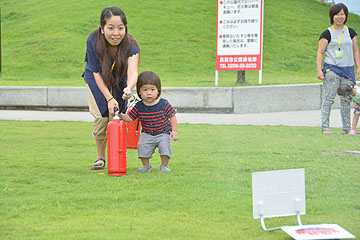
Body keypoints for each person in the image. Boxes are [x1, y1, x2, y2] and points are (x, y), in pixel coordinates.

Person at [82, 6, 140, 170]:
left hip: (120, 81)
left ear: (125, 28)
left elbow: (133, 72)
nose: (116, 33)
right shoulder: (93, 40)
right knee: (102, 116)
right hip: (96, 79)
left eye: (120, 28)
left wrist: (128, 88)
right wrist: (108, 98)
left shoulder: (131, 45)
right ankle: (100, 158)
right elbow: (95, 72)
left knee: (117, 115)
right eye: (111, 28)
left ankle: (118, 155)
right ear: (102, 29)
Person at [120, 71, 178, 173]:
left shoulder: (164, 103)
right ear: (139, 92)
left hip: (163, 132)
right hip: (147, 133)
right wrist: (120, 115)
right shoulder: (139, 106)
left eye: (152, 89)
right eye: (145, 90)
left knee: (165, 149)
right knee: (142, 147)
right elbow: (130, 117)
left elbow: (172, 116)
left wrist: (174, 131)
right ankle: (146, 166)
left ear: (158, 91)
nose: (149, 93)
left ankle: (164, 166)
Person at [316, 3, 360, 134]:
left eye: (342, 14)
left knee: (346, 99)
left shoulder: (351, 32)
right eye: (337, 14)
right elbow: (320, 52)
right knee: (328, 98)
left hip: (348, 70)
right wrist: (319, 70)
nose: (340, 17)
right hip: (332, 70)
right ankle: (325, 127)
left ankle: (346, 128)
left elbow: (355, 50)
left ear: (346, 16)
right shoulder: (327, 33)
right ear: (332, 16)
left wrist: (358, 67)